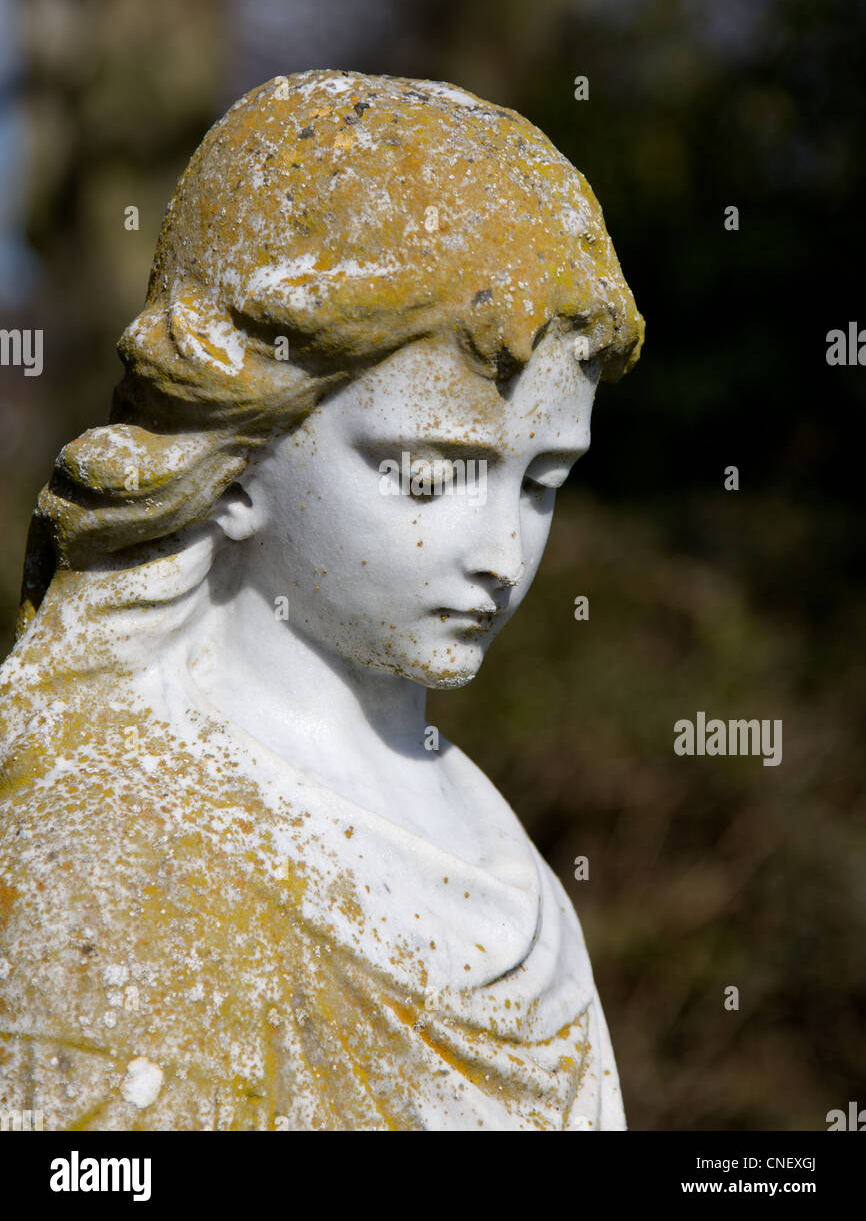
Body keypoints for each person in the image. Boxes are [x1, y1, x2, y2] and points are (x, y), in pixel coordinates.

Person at [0, 70, 643, 1130]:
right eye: (430, 476)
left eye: (541, 483)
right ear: (239, 450)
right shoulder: (102, 843)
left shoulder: (496, 853)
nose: (497, 551)